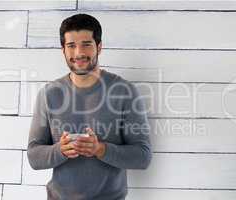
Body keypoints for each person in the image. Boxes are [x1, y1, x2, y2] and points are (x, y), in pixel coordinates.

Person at [27, 13, 152, 200]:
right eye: (71, 46)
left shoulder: (125, 92)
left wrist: (100, 149)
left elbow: (143, 157)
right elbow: (33, 156)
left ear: (99, 47)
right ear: (63, 50)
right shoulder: (49, 94)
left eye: (86, 44)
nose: (79, 53)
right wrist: (60, 150)